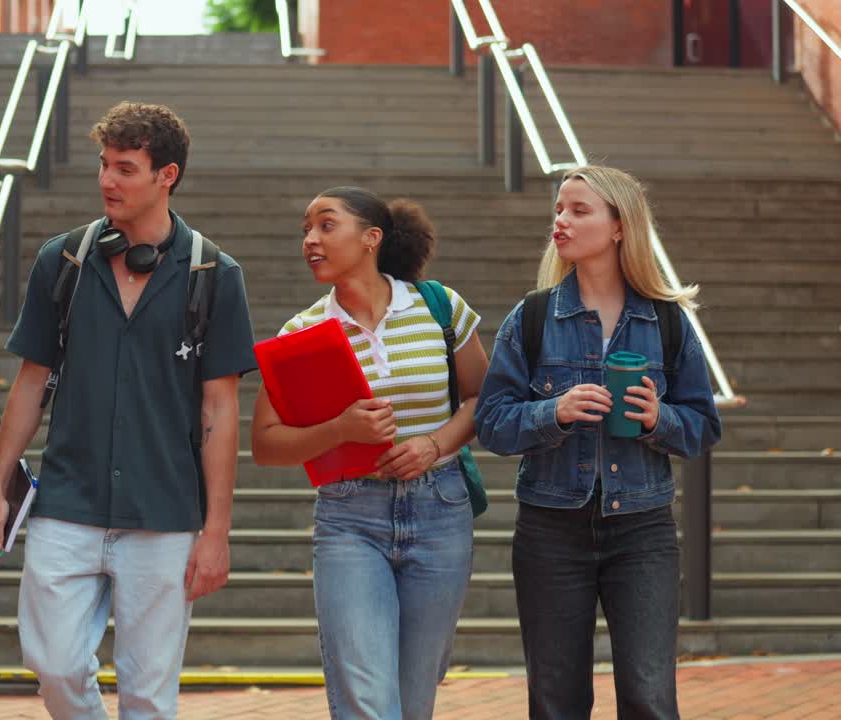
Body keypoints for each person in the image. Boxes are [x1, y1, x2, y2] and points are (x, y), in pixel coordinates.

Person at [0, 101, 257, 719]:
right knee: (54, 666)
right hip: (65, 505)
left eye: (126, 169)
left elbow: (220, 412)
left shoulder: (215, 275)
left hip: (164, 514)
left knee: (147, 694)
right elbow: (30, 383)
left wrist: (215, 532)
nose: (108, 180)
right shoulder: (65, 262)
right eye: (104, 165)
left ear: (168, 176)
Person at [473, 165, 722, 719]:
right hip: (549, 530)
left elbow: (703, 426)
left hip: (642, 530)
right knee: (557, 700)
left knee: (649, 696)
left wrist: (660, 419)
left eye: (579, 210)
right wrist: (552, 412)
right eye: (559, 209)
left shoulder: (666, 322)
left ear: (618, 227)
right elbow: (491, 422)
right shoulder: (532, 317)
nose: (560, 221)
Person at [250, 186, 488, 720]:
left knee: (413, 697)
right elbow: (265, 443)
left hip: (441, 511)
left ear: (371, 238)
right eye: (306, 230)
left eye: (326, 225)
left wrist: (434, 443)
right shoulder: (303, 332)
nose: (310, 239)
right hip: (349, 518)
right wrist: (339, 429)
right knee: (366, 697)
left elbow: (482, 399)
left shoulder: (439, 307)